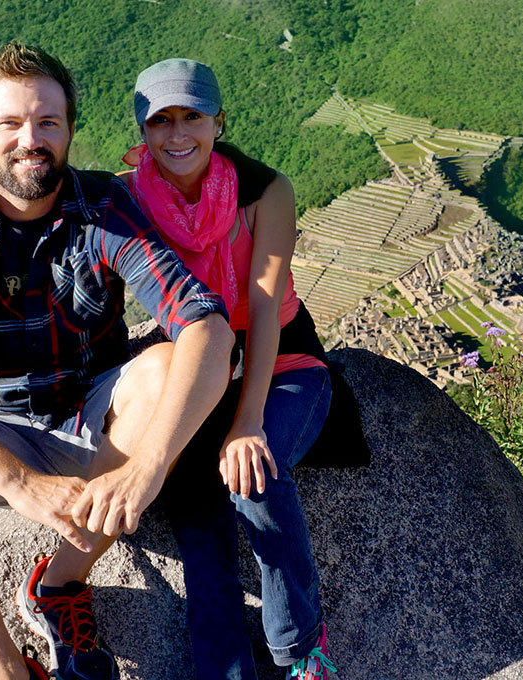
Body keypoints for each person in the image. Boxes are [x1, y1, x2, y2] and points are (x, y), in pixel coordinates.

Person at [0, 43, 234, 680]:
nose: (29, 140)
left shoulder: (101, 210)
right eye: (11, 123)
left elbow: (206, 324)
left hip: (95, 426)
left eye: (47, 123)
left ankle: (60, 582)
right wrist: (18, 483)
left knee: (167, 363)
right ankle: (2, 667)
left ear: (69, 130)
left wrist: (148, 468)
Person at [119, 58, 337, 680]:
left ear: (219, 122)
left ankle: (301, 653)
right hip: (197, 371)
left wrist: (248, 423)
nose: (177, 133)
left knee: (253, 472)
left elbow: (266, 308)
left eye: (192, 116)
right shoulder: (130, 198)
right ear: (143, 130)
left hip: (287, 364)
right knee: (195, 508)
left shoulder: (266, 192)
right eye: (161, 120)